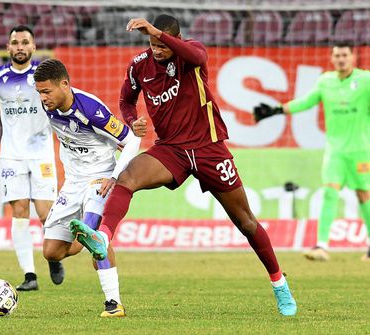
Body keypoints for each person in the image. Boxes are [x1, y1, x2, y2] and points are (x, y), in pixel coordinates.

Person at [70, 14, 297, 317]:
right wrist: (131, 120)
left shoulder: (191, 53)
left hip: (208, 148)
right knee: (126, 178)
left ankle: (279, 284)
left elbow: (197, 55)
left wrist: (157, 32)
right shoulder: (140, 65)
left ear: (173, 38)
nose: (156, 50)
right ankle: (104, 236)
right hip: (171, 150)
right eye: (151, 44)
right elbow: (126, 99)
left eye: (161, 44)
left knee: (246, 222)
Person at [33, 58, 140, 317]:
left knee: (96, 238)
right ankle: (80, 240)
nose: (43, 98)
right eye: (39, 92)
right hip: (72, 181)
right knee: (51, 252)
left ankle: (114, 304)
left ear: (65, 85)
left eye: (47, 91)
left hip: (100, 177)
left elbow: (132, 140)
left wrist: (113, 176)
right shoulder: (49, 106)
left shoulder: (91, 109)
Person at [254, 43, 370, 262]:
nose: (341, 59)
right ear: (332, 58)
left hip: (361, 150)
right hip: (335, 150)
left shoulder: (366, 80)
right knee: (330, 191)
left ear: (353, 57)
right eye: (337, 55)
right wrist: (277, 110)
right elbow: (306, 102)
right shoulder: (325, 82)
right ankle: (321, 245)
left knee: (363, 194)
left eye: (345, 55)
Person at [0, 25, 64, 291]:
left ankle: (53, 256)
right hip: (12, 156)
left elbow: (61, 105)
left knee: (46, 214)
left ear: (34, 47)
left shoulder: (43, 75)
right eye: (15, 42)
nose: (20, 47)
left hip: (42, 154)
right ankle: (29, 275)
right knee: (19, 211)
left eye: (25, 42)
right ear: (8, 47)